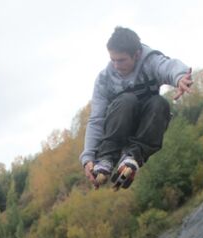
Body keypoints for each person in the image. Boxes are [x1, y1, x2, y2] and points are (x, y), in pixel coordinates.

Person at [81, 27, 192, 189]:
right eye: (113, 60)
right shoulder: (105, 79)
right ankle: (107, 158)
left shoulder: (149, 61)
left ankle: (133, 155)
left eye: (122, 60)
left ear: (137, 54)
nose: (116, 65)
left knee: (160, 103)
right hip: (118, 126)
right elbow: (96, 119)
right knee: (127, 100)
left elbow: (167, 67)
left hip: (145, 128)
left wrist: (180, 77)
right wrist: (88, 156)